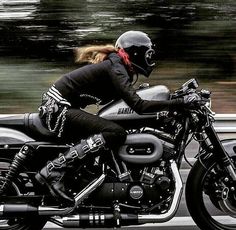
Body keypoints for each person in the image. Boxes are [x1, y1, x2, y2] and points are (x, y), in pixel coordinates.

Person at [35, 30, 199, 205]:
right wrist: (180, 102)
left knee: (111, 129)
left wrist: (173, 98)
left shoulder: (118, 66)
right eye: (148, 54)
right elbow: (139, 105)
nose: (150, 58)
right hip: (58, 110)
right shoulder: (116, 67)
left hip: (61, 108)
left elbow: (130, 98)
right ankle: (53, 170)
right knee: (115, 133)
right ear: (136, 52)